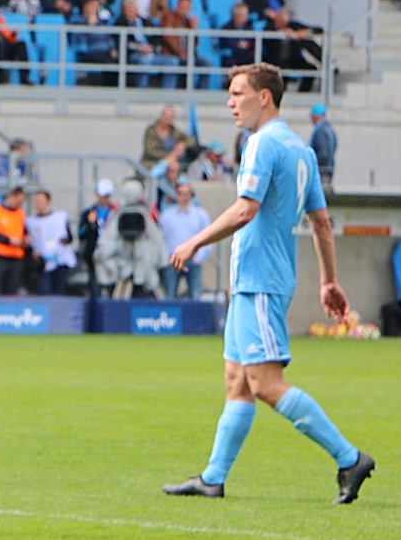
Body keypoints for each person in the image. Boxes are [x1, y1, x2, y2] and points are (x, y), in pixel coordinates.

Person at [163, 63, 374, 503]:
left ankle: (349, 457)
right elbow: (320, 222)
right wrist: (328, 281)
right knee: (236, 379)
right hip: (261, 279)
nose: (230, 101)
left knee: (264, 382)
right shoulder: (302, 151)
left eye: (238, 92)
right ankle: (213, 478)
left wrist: (195, 240)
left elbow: (244, 210)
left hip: (260, 280)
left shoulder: (261, 143)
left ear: (265, 97)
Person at [159, 181, 211, 298]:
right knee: (169, 296)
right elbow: (160, 239)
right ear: (176, 195)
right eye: (181, 193)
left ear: (191, 196)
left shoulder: (201, 215)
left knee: (195, 297)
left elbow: (208, 238)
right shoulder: (166, 216)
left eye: (187, 194)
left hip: (193, 261)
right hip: (172, 261)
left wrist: (199, 258)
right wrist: (165, 258)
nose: (184, 197)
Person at [25, 190, 74, 295]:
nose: (38, 203)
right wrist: (32, 252)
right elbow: (28, 241)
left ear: (48, 201)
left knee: (59, 291)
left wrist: (64, 240)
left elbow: (70, 237)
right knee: (44, 291)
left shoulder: (60, 217)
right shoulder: (30, 222)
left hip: (61, 260)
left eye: (40, 200)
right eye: (36, 200)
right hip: (43, 262)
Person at [0, 186, 29, 295]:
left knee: (12, 290)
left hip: (16, 256)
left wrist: (25, 239)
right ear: (11, 196)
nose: (19, 204)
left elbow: (23, 231)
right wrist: (7, 240)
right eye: (18, 201)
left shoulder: (20, 213)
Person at [308, 103, 337, 191]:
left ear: (316, 116)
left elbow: (323, 153)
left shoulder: (320, 130)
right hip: (328, 169)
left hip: (321, 171)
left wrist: (313, 164)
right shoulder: (330, 129)